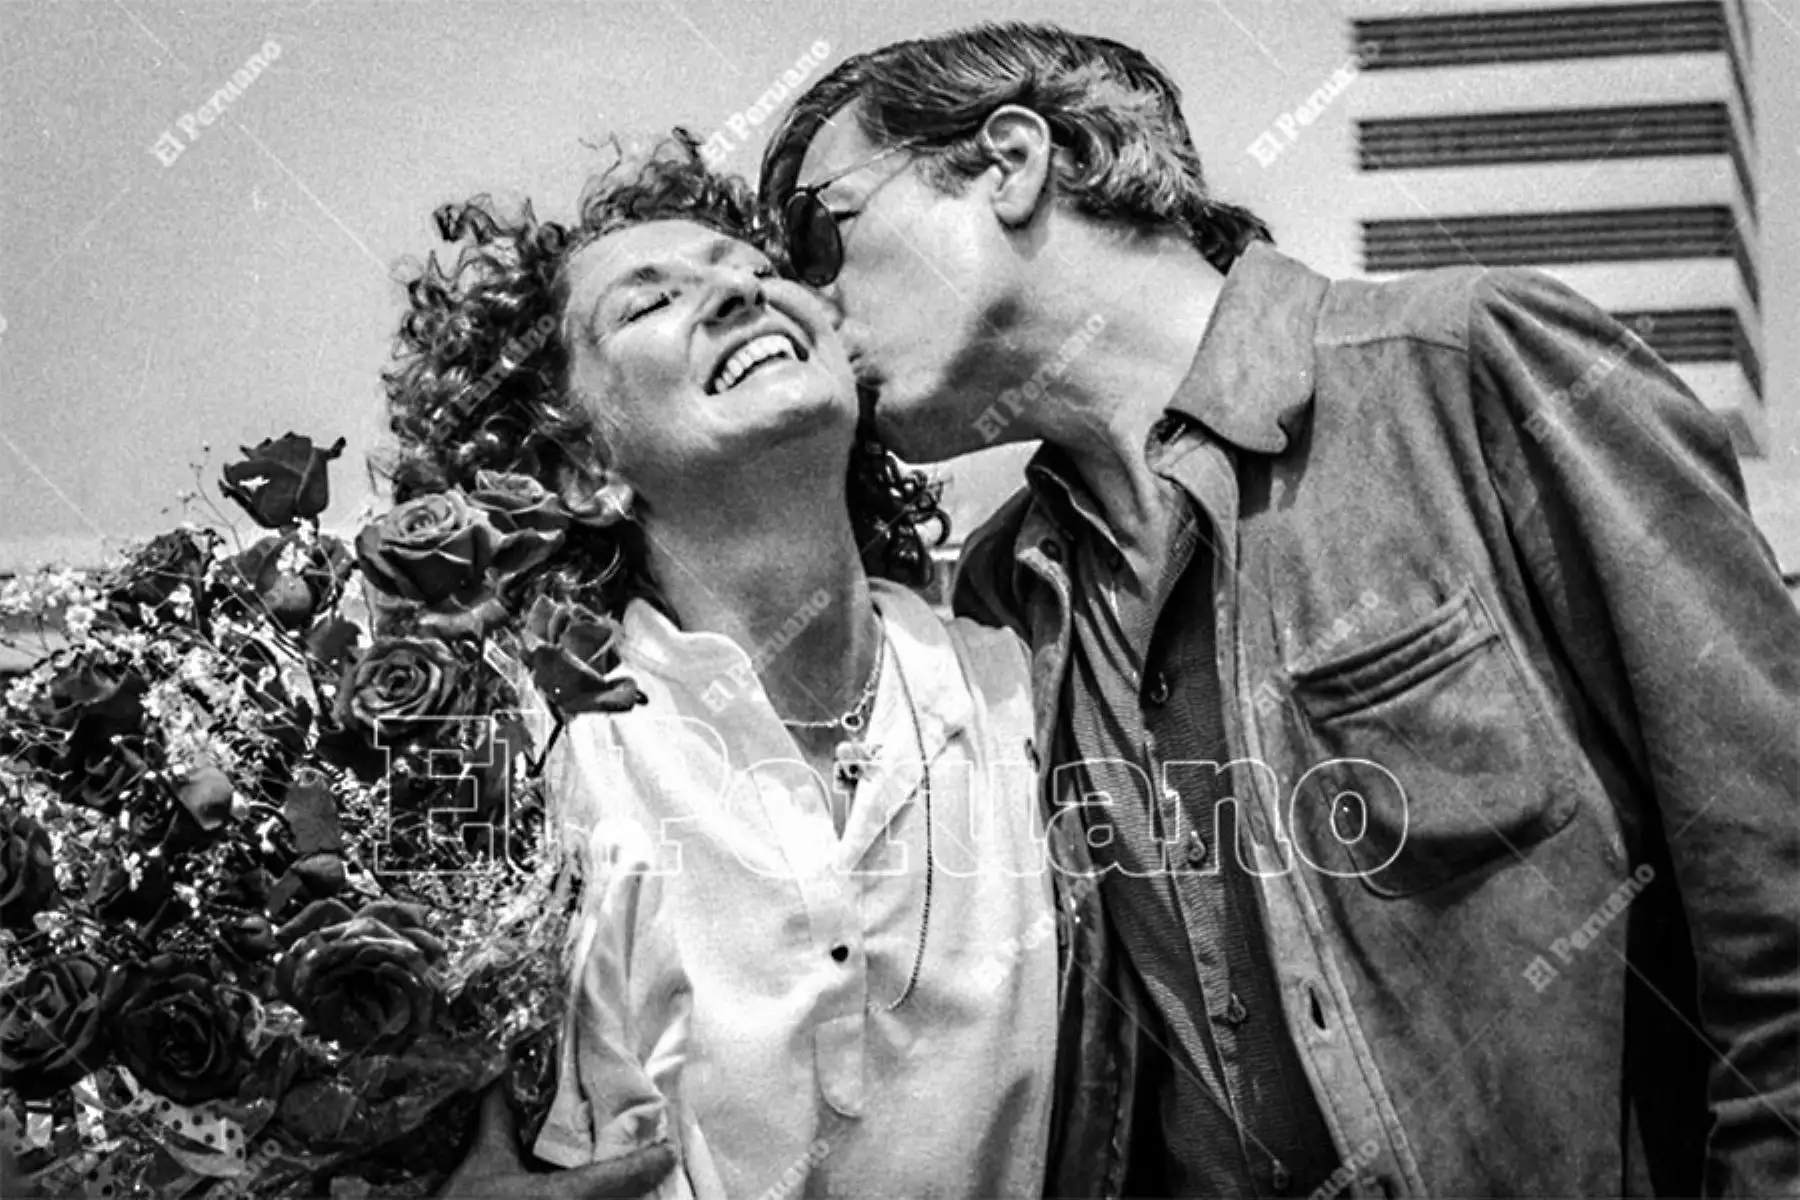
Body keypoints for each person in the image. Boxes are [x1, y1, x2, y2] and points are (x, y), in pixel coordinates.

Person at [760, 22, 1800, 1199]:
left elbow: (1778, 892)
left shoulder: (1470, 371)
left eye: (818, 237)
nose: (806, 310)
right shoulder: (1005, 597)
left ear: (1010, 161)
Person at [385, 134, 1059, 1199]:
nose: (739, 296)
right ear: (580, 467)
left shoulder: (1026, 685)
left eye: (754, 272)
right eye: (651, 303)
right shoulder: (539, 762)